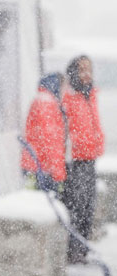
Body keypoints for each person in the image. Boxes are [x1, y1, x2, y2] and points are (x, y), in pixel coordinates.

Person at [62, 55, 105, 264]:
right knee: (77, 206)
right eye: (82, 69)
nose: (87, 74)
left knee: (89, 205)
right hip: (75, 161)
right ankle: (74, 251)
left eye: (89, 69)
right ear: (73, 73)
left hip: (90, 158)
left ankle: (84, 249)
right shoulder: (69, 98)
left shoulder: (91, 95)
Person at [21, 73, 67, 192]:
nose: (64, 91)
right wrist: (57, 171)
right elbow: (49, 140)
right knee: (43, 206)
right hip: (43, 168)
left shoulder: (44, 100)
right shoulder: (47, 103)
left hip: (37, 165)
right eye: (63, 87)